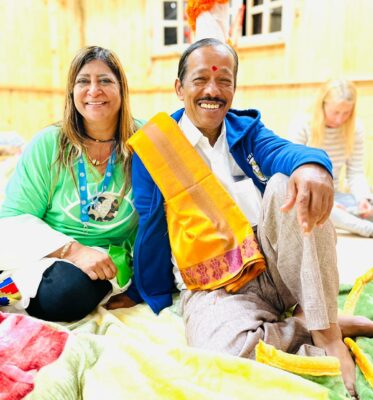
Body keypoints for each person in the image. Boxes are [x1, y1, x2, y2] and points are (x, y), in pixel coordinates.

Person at [128, 38, 373, 397]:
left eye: (224, 80)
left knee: (288, 181)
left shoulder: (247, 130)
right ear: (179, 88)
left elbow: (284, 151)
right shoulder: (156, 148)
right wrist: (143, 291)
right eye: (200, 80)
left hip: (274, 265)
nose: (213, 90)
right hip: (214, 287)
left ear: (234, 89)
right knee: (226, 355)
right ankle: (307, 324)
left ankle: (328, 334)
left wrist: (313, 166)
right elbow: (149, 226)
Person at [0, 46, 142, 322]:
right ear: (71, 92)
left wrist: (146, 286)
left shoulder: (144, 141)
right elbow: (12, 218)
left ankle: (13, 291)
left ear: (122, 90)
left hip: (105, 257)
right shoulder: (49, 143)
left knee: (67, 294)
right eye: (83, 81)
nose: (94, 90)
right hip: (49, 248)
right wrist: (72, 250)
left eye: (105, 80)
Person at [288, 79, 373, 238]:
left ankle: (350, 214)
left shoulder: (355, 128)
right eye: (335, 112)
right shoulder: (302, 125)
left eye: (346, 113)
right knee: (314, 207)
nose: (340, 119)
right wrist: (328, 203)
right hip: (309, 194)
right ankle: (364, 228)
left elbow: (355, 173)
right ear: (322, 105)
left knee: (368, 201)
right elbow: (291, 173)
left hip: (337, 195)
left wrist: (363, 199)